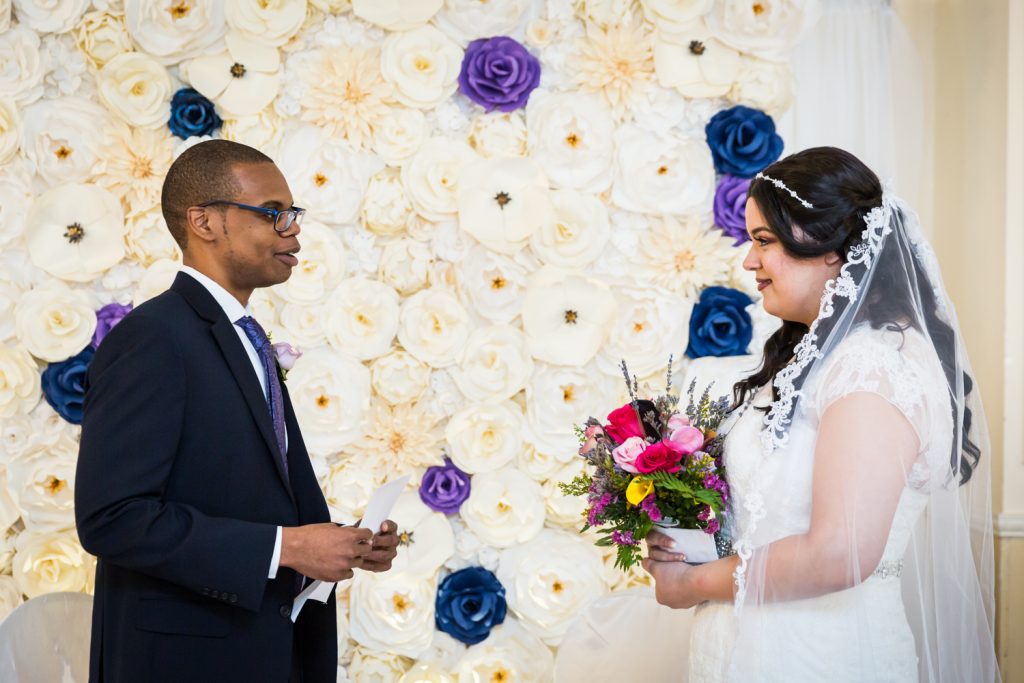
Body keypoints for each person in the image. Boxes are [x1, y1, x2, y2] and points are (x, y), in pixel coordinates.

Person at [642, 147, 999, 681]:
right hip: (745, 648)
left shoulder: (871, 366)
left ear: (832, 247)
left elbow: (840, 554)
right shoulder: (816, 355)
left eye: (764, 241)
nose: (749, 260)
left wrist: (693, 584)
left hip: (819, 656)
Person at [75, 140, 399, 683]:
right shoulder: (154, 338)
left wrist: (341, 543)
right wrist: (289, 547)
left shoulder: (241, 336)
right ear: (203, 222)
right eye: (273, 213)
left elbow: (238, 491)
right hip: (183, 664)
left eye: (292, 213)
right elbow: (112, 519)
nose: (292, 229)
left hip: (266, 652)